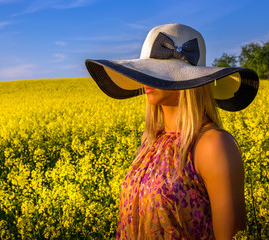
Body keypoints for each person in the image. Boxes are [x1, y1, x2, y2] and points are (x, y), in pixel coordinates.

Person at [85, 24, 259, 240]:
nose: (146, 81)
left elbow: (231, 236)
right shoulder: (150, 140)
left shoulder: (212, 144)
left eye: (157, 73)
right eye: (146, 72)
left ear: (190, 80)